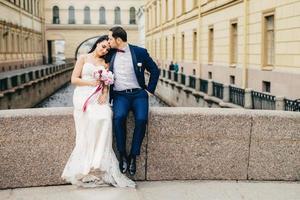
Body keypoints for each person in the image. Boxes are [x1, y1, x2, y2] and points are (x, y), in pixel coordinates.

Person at [61, 35, 135, 188]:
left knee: (106, 117)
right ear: (98, 43)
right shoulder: (83, 58)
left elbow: (106, 82)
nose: (105, 50)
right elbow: (74, 79)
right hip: (83, 95)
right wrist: (90, 82)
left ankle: (99, 163)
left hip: (98, 96)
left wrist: (103, 93)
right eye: (103, 46)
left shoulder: (105, 63)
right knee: (90, 124)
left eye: (107, 49)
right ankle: (87, 167)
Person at [108, 26, 160, 176]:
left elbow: (155, 70)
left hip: (138, 94)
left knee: (142, 119)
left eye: (110, 38)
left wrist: (149, 90)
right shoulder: (109, 53)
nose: (108, 41)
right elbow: (96, 56)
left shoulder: (140, 52)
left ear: (118, 39)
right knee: (118, 118)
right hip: (120, 95)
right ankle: (122, 154)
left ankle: (133, 156)